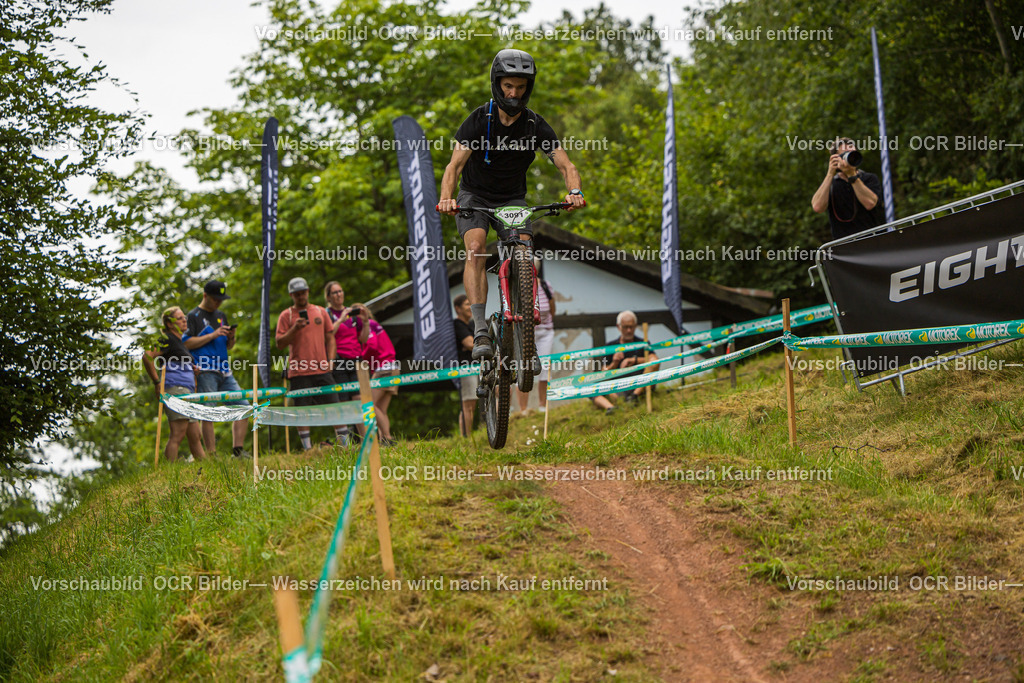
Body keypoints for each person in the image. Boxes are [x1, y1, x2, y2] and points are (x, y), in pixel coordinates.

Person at [437, 48, 586, 361]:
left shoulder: (534, 124)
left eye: (520, 87)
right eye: (508, 86)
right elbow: (453, 167)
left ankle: (523, 317)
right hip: (474, 196)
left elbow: (565, 164)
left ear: (527, 88)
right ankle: (479, 330)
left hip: (511, 200)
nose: (514, 93)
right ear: (497, 84)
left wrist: (573, 190)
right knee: (476, 246)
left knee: (524, 248)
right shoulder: (478, 120)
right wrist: (446, 199)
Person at [276, 277, 349, 451]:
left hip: (322, 370)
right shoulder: (286, 315)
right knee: (302, 411)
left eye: (303, 293)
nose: (301, 297)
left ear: (308, 292)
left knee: (334, 406)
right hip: (298, 372)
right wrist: (294, 329)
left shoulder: (320, 311)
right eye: (297, 294)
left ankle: (345, 445)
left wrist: (331, 362)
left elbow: (330, 338)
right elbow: (280, 343)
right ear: (291, 295)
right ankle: (307, 449)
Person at [182, 279, 248, 458]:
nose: (219, 302)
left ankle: (238, 451)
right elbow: (186, 342)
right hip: (205, 370)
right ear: (205, 296)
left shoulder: (221, 315)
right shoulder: (193, 316)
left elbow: (228, 346)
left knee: (243, 407)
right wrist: (213, 334)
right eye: (215, 299)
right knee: (208, 411)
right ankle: (211, 455)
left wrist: (231, 338)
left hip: (225, 371)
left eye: (221, 299)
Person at [142, 306, 206, 462]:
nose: (185, 320)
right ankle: (169, 471)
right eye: (180, 318)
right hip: (175, 389)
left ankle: (207, 470)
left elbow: (177, 362)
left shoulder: (181, 343)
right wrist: (157, 382)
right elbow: (147, 356)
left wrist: (192, 370)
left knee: (196, 435)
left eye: (184, 317)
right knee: (178, 432)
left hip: (188, 391)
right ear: (169, 324)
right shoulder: (167, 339)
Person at [811, 136, 883, 240]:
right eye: (846, 154)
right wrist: (830, 174)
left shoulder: (869, 178)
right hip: (844, 249)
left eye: (853, 153)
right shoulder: (831, 184)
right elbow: (817, 207)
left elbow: (870, 203)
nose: (850, 157)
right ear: (835, 158)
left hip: (872, 241)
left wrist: (852, 176)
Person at [324, 281, 369, 444]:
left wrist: (365, 321)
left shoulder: (352, 314)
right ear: (328, 297)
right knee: (342, 403)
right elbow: (327, 335)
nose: (339, 295)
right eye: (335, 292)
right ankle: (344, 442)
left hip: (356, 360)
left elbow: (363, 339)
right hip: (338, 361)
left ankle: (366, 440)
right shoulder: (327, 314)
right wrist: (341, 319)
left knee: (359, 401)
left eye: (340, 291)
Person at [591, 310, 660, 415]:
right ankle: (611, 408)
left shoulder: (642, 343)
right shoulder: (610, 346)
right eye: (625, 327)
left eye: (631, 327)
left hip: (639, 381)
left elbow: (655, 361)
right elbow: (603, 372)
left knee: (653, 367)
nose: (629, 330)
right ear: (618, 327)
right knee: (592, 386)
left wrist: (634, 360)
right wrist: (614, 363)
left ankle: (634, 397)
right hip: (617, 385)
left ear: (635, 326)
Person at [516, 257, 555, 415]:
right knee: (523, 367)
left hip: (545, 332)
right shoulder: (517, 287)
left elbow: (553, 309)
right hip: (525, 333)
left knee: (544, 368)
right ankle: (524, 409)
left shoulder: (545, 285)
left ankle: (542, 406)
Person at [355, 304, 399, 446]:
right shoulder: (375, 325)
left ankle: (386, 437)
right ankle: (384, 439)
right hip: (393, 366)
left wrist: (361, 359)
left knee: (369, 404)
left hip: (384, 367)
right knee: (381, 408)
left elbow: (372, 345)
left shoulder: (369, 326)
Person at [453, 294, 478, 435]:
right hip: (465, 368)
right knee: (468, 405)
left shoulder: (471, 324)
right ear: (458, 308)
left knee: (473, 405)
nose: (470, 307)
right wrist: (476, 345)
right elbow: (470, 344)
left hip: (477, 366)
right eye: (467, 304)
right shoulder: (457, 324)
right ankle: (466, 437)